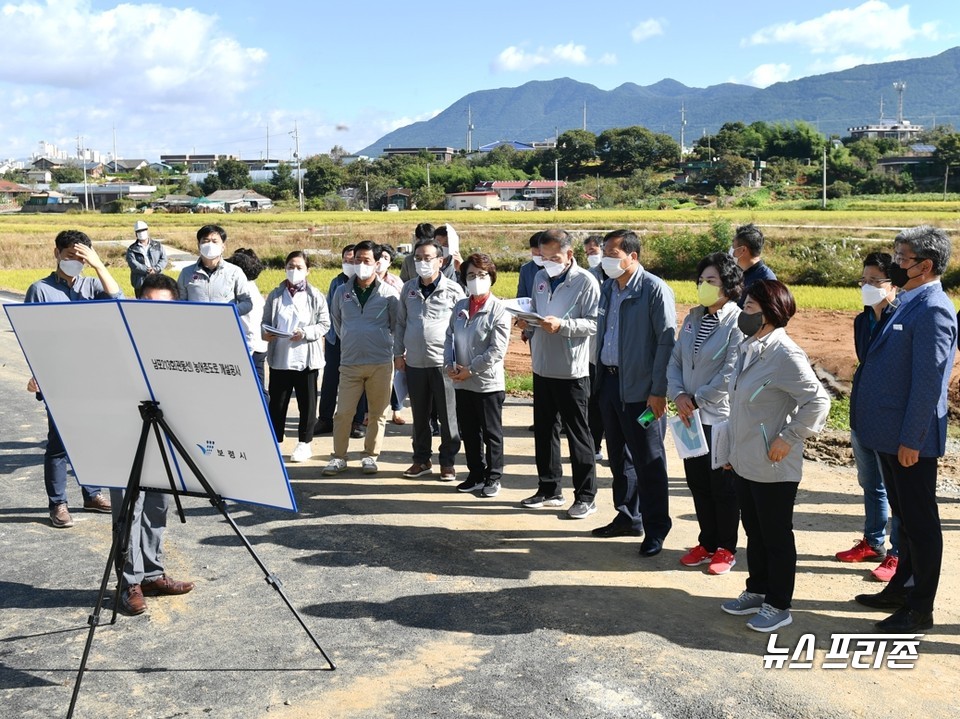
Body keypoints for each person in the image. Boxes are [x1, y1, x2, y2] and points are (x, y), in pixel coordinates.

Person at [852, 226, 957, 632]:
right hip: (888, 435)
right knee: (904, 519)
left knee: (920, 522)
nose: (894, 264)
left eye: (901, 258)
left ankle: (920, 606)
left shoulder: (933, 308)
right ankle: (901, 587)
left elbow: (929, 382)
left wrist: (912, 438)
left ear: (925, 266)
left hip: (908, 439)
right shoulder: (908, 302)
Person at [720, 280, 830, 633]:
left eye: (750, 308)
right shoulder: (748, 345)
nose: (743, 313)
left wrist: (789, 437)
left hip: (774, 462)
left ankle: (779, 604)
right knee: (754, 530)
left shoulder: (785, 354)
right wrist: (731, 451)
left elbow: (818, 402)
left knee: (776, 535)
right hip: (745, 459)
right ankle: (758, 589)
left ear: (770, 314)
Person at [112, 273, 194, 615]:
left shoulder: (181, 343)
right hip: (124, 437)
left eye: (162, 306)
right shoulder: (119, 340)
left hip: (164, 437)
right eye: (147, 305)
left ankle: (153, 573)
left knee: (158, 507)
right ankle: (129, 581)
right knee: (128, 511)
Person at [25, 229, 117, 528]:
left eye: (80, 259)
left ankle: (92, 494)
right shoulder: (40, 290)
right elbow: (31, 337)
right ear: (56, 254)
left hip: (95, 375)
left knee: (91, 436)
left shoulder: (92, 286)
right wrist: (36, 373)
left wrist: (98, 265)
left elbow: (118, 299)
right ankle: (59, 504)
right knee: (59, 442)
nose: (74, 263)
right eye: (69, 257)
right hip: (58, 376)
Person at [592, 230, 676, 555]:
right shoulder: (607, 288)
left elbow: (666, 343)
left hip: (643, 392)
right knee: (618, 458)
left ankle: (656, 529)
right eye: (605, 252)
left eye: (613, 253)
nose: (606, 259)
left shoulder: (654, 290)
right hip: (611, 385)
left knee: (649, 460)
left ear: (633, 257)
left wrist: (659, 391)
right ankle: (628, 515)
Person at [667, 252, 744, 574]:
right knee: (698, 483)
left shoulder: (737, 322)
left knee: (723, 488)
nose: (704, 286)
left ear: (728, 285)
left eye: (711, 281)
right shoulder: (692, 317)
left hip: (718, 418)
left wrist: (696, 399)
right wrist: (678, 395)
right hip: (690, 417)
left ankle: (726, 548)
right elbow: (675, 362)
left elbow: (730, 373)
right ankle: (707, 541)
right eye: (701, 280)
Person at [516, 229, 600, 519]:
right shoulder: (540, 278)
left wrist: (563, 326)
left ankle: (586, 496)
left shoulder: (586, 282)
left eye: (555, 257)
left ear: (569, 255)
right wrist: (527, 324)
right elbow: (538, 314)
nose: (549, 262)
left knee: (579, 435)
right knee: (545, 430)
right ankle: (549, 488)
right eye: (544, 257)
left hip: (571, 371)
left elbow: (593, 324)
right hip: (542, 366)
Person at [835, 252, 901, 582]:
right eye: (864, 280)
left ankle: (898, 553)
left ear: (894, 285)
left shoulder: (902, 318)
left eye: (875, 281)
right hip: (863, 411)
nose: (867, 286)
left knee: (896, 487)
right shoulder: (862, 320)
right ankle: (873, 542)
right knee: (870, 483)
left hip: (889, 415)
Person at [323, 241, 400, 476]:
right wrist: (353, 337)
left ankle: (370, 456)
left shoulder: (389, 294)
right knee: (343, 412)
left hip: (380, 362)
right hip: (350, 362)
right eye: (357, 260)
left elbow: (396, 325)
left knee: (377, 413)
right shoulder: (341, 292)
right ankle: (339, 457)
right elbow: (337, 322)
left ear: (377, 264)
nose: (360, 265)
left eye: (366, 261)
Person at [395, 237, 465, 481]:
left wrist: (459, 360)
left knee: (448, 416)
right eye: (418, 259)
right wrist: (397, 354)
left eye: (427, 258)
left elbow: (462, 327)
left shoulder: (454, 290)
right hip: (414, 362)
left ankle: (448, 462)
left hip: (443, 363)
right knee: (420, 416)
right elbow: (401, 323)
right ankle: (421, 460)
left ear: (440, 260)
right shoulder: (408, 289)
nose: (422, 263)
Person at [445, 253, 512, 497]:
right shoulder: (461, 306)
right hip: (461, 382)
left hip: (487, 383)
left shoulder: (499, 310)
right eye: (471, 275)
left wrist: (470, 370)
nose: (476, 280)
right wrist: (449, 365)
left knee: (491, 433)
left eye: (482, 275)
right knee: (469, 432)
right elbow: (449, 337)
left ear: (491, 277)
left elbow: (497, 350)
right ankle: (475, 473)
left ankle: (494, 477)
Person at [262, 251, 331, 463]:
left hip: (306, 359)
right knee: (278, 404)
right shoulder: (275, 295)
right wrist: (266, 333)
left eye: (299, 267)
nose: (294, 271)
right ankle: (275, 442)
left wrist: (306, 333)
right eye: (291, 266)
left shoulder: (315, 295)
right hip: (280, 359)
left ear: (307, 270)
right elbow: (264, 323)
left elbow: (325, 324)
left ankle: (304, 443)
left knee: (307, 404)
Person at [315, 245, 367, 438]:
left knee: (358, 379)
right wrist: (335, 334)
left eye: (353, 260)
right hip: (335, 339)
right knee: (330, 378)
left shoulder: (365, 283)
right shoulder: (336, 282)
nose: (349, 264)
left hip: (358, 340)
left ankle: (357, 422)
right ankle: (325, 419)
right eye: (345, 260)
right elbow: (330, 311)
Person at [176, 224, 252, 316]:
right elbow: (179, 301)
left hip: (225, 324)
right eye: (205, 241)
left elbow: (247, 302)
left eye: (214, 241)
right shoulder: (186, 273)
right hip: (196, 325)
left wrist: (231, 312)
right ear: (199, 246)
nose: (210, 245)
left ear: (223, 246)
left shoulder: (234, 272)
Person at [226, 248, 269, 398]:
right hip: (256, 345)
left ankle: (264, 420)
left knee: (256, 391)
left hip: (250, 347)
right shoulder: (251, 287)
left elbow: (250, 325)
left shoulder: (245, 292)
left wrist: (247, 351)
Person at [376, 242, 407, 424]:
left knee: (396, 373)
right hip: (373, 335)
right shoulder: (365, 280)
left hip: (393, 335)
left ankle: (396, 410)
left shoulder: (396, 283)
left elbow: (403, 311)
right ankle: (370, 412)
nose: (381, 261)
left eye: (386, 258)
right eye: (378, 257)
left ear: (390, 263)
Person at [583, 234, 606, 460]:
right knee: (595, 400)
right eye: (588, 252)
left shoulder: (638, 281)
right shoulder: (589, 277)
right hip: (594, 350)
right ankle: (594, 445)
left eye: (595, 250)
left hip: (622, 355)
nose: (593, 255)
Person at [730, 223, 776, 307]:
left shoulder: (766, 281)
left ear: (743, 250)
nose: (731, 250)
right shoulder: (736, 274)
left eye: (733, 246)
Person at [124, 220, 167, 297]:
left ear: (147, 230)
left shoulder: (157, 245)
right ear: (136, 233)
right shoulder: (132, 249)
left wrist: (155, 269)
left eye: (143, 230)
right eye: (139, 231)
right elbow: (133, 264)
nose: (141, 232)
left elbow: (163, 259)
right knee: (142, 305)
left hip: (156, 279)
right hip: (140, 282)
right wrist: (147, 270)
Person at [516, 231, 544, 299]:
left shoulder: (555, 268)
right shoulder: (526, 269)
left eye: (541, 255)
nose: (538, 257)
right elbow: (521, 296)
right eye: (535, 254)